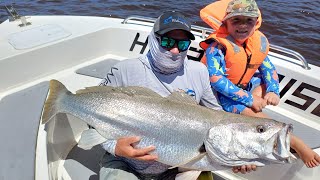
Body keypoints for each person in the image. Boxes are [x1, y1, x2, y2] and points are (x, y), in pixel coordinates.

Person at [98, 11, 222, 180]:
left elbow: (219, 119)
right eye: (167, 41)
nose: (175, 50)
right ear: (153, 39)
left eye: (183, 44)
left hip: (179, 166)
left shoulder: (199, 72)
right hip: (125, 163)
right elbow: (94, 112)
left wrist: (240, 156)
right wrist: (114, 147)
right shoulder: (125, 70)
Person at [199, 0, 320, 173]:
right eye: (236, 21)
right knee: (252, 112)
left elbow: (268, 68)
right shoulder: (216, 47)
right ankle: (294, 142)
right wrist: (249, 99)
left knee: (261, 83)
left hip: (244, 87)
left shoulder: (256, 43)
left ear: (256, 23)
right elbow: (216, 80)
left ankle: (256, 119)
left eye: (248, 21)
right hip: (220, 95)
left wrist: (272, 90)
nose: (243, 26)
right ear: (226, 22)